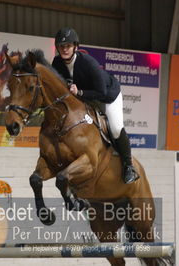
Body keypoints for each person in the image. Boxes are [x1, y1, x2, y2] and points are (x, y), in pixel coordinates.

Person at [51, 27, 138, 184]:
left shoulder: (88, 63)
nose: (64, 49)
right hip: (84, 98)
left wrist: (80, 93)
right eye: (61, 46)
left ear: (75, 47)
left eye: (68, 46)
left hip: (107, 96)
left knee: (116, 128)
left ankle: (129, 167)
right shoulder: (56, 63)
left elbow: (101, 91)